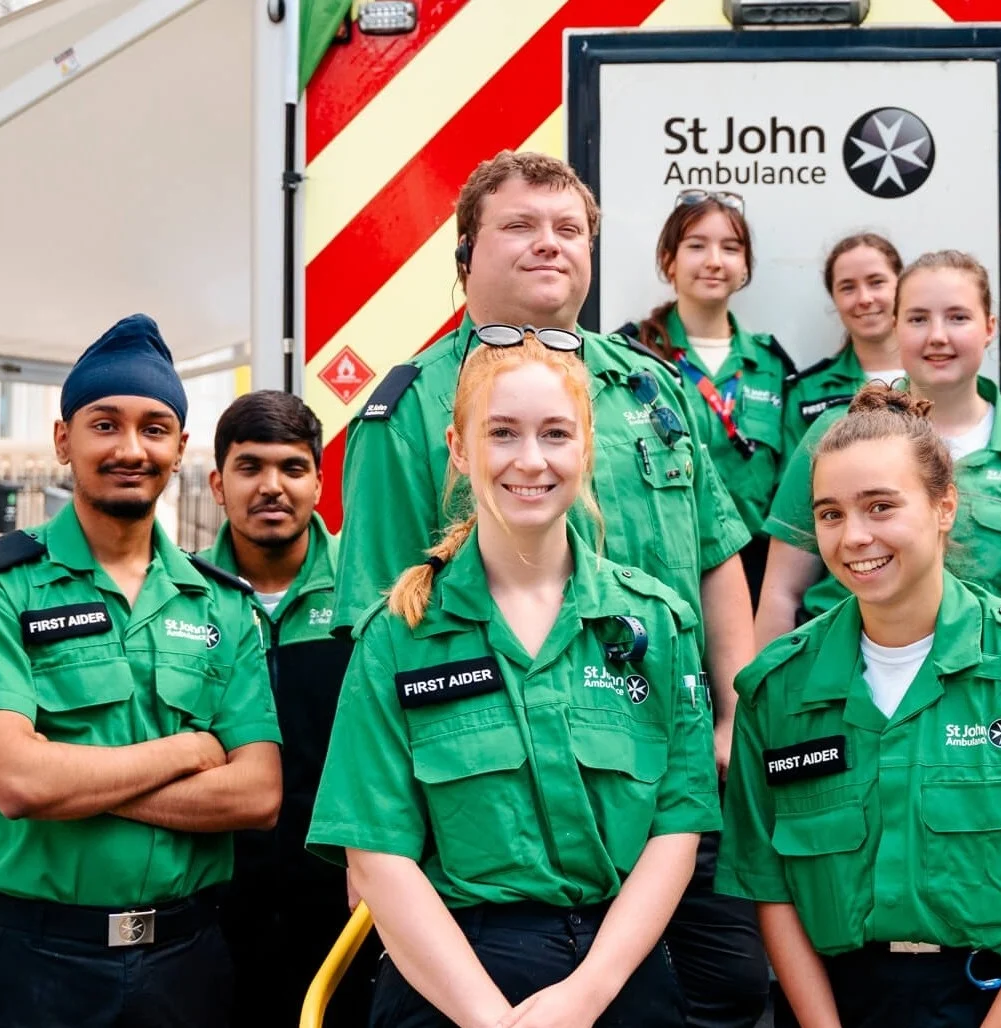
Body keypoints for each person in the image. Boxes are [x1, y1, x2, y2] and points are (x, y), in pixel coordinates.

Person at [332, 151, 766, 1026]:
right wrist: (371, 854)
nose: (549, 245)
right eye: (519, 227)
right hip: (496, 800)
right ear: (465, 257)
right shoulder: (412, 406)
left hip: (665, 766)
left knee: (726, 989)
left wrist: (732, 718)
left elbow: (716, 556)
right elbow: (380, 620)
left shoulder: (651, 386)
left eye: (569, 229)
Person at [307, 334, 718, 1027]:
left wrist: (585, 997)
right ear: (460, 449)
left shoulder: (657, 623)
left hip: (616, 980)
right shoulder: (399, 636)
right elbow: (377, 854)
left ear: (585, 447)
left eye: (555, 434)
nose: (530, 460)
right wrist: (488, 1021)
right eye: (502, 434)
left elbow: (677, 828)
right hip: (451, 981)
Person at [718, 384, 1001, 1028]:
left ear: (944, 506)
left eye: (881, 506)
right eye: (830, 514)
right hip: (839, 1005)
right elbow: (771, 887)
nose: (854, 536)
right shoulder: (775, 689)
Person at [0, 315, 282, 1028]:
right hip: (37, 965)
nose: (131, 447)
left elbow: (257, 795)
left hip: (187, 963)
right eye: (105, 425)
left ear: (180, 448)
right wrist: (188, 752)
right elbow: (16, 782)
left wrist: (72, 779)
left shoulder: (220, 604)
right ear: (64, 439)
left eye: (154, 428)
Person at [756, 250, 1001, 645]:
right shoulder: (837, 432)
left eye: (958, 317)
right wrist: (762, 702)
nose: (937, 336)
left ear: (990, 327)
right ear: (895, 327)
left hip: (989, 693)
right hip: (839, 687)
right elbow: (781, 591)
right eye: (918, 319)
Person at [198, 390, 370, 1028]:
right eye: (250, 468)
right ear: (218, 483)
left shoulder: (370, 597)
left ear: (320, 483)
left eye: (292, 468)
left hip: (349, 912)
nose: (272, 487)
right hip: (210, 917)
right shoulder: (182, 599)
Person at [621, 191, 796, 595]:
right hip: (662, 569)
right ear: (669, 261)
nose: (714, 261)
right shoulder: (632, 357)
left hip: (756, 574)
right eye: (696, 246)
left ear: (745, 267)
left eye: (731, 248)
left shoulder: (772, 366)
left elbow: (792, 487)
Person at [781, 233, 906, 453]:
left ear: (901, 287)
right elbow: (795, 482)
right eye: (848, 288)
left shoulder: (938, 378)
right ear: (834, 299)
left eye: (876, 282)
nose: (864, 299)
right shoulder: (806, 391)